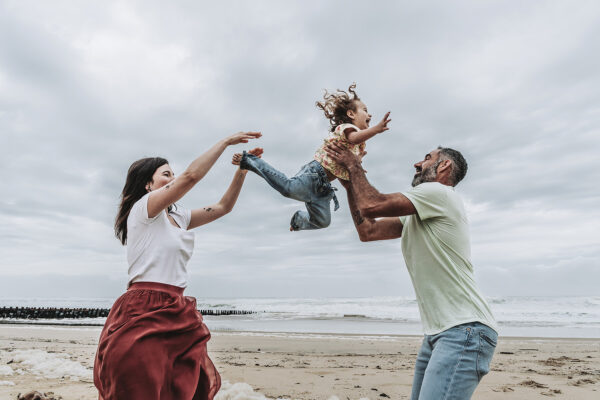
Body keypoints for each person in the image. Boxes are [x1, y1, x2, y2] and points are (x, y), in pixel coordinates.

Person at [93, 131, 262, 400]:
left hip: (177, 309)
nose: (173, 178)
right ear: (148, 184)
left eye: (173, 174)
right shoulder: (144, 209)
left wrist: (242, 170)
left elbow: (223, 207)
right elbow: (190, 177)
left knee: (185, 388)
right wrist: (225, 142)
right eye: (166, 174)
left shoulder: (179, 216)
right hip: (143, 308)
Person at [324, 143, 498, 400]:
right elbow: (368, 231)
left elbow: (372, 205)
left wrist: (354, 165)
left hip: (464, 331)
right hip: (440, 333)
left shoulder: (439, 192)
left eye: (427, 159)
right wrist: (350, 185)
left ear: (444, 166)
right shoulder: (421, 211)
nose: (417, 164)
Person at [232, 83, 391, 231]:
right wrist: (376, 129)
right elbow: (354, 138)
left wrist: (358, 163)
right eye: (365, 110)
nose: (369, 114)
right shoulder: (346, 129)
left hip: (324, 189)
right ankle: (251, 161)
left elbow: (350, 162)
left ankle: (299, 220)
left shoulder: (358, 145)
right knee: (288, 189)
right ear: (350, 114)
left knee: (323, 222)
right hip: (314, 174)